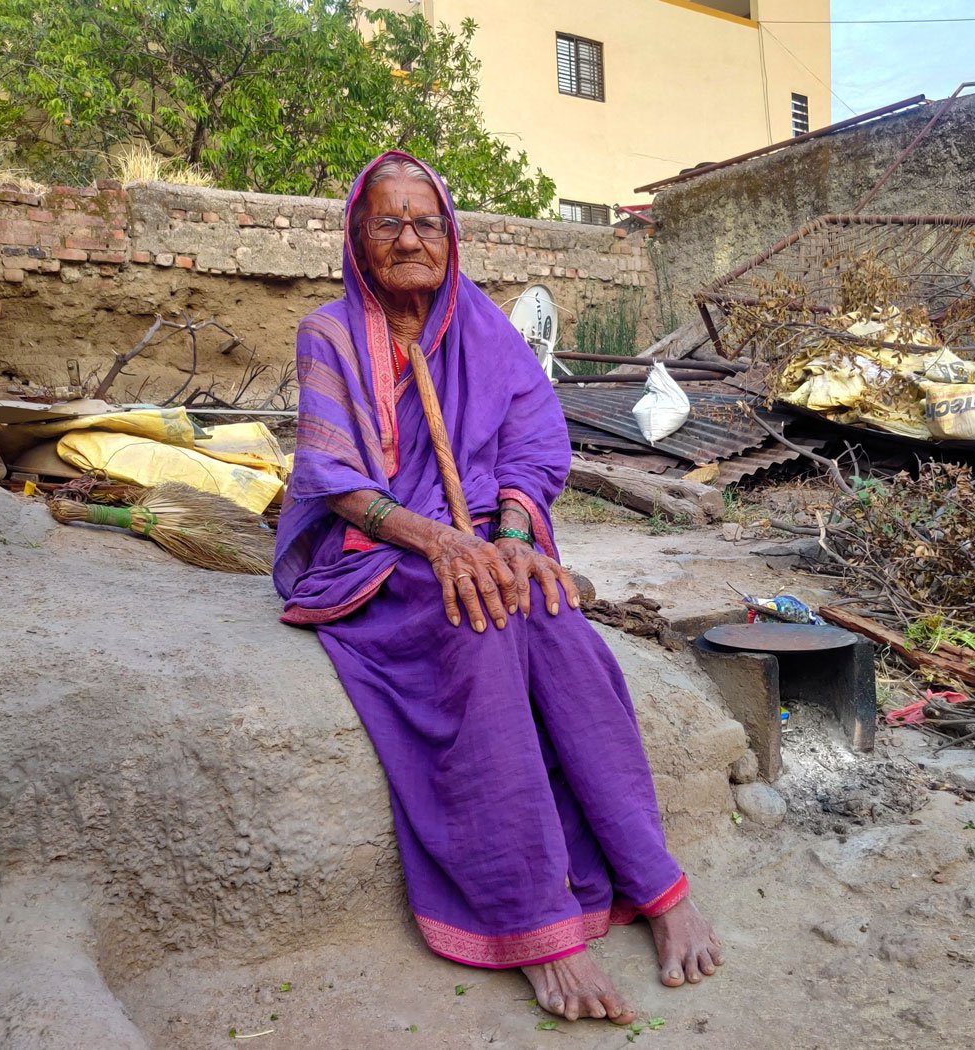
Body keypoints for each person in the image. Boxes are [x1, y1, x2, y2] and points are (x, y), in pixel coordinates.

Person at [273, 150, 722, 1025]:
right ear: (357, 240)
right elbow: (332, 476)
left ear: (453, 235)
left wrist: (512, 538)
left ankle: (658, 887)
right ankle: (532, 920)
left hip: (485, 535)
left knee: (553, 620)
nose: (410, 238)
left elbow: (531, 442)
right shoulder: (328, 333)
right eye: (387, 223)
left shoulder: (482, 325)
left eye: (427, 221)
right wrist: (442, 543)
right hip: (379, 547)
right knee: (473, 623)